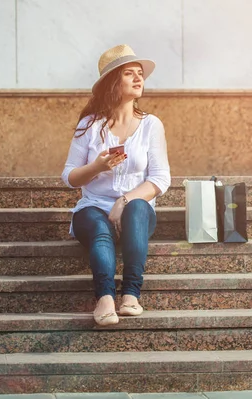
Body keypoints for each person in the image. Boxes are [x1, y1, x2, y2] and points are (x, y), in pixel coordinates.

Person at [61, 44, 171, 326]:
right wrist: (97, 166)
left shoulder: (151, 125)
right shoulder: (89, 125)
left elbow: (160, 178)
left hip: (135, 211)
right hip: (93, 207)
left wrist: (123, 202)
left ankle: (131, 295)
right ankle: (105, 298)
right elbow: (70, 177)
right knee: (99, 228)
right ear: (113, 82)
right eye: (129, 74)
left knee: (136, 206)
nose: (139, 79)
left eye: (140, 74)